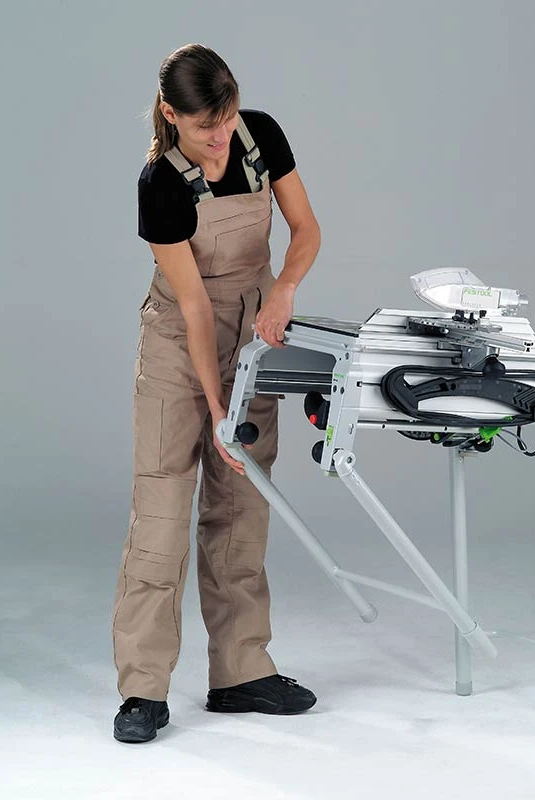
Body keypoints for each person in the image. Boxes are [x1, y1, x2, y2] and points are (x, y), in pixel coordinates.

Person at [111, 43, 321, 744]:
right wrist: (218, 406)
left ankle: (240, 672)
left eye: (227, 118)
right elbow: (197, 309)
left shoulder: (261, 136)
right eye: (206, 126)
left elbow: (306, 230)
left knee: (241, 506)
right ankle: (143, 688)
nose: (222, 135)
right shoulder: (160, 184)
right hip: (180, 345)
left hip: (255, 338)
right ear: (171, 115)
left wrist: (284, 289)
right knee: (162, 513)